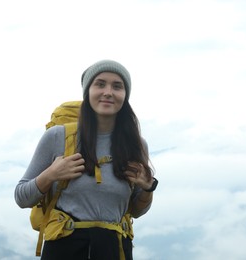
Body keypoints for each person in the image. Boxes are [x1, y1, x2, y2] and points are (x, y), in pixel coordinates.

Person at [14, 59, 157, 260]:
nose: (108, 91)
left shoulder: (136, 144)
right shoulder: (58, 137)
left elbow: (137, 211)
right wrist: (51, 174)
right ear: (87, 92)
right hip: (65, 249)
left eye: (117, 86)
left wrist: (148, 188)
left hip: (115, 249)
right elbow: (21, 197)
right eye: (100, 84)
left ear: (125, 96)